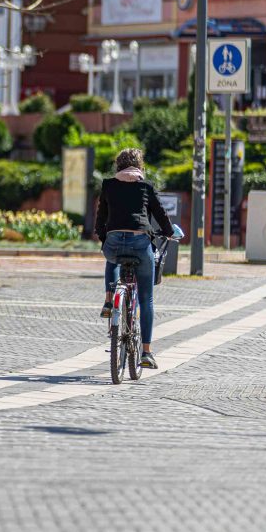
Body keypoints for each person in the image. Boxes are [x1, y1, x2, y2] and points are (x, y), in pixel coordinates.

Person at [94, 148, 173, 370]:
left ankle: (109, 300)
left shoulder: (108, 185)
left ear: (118, 165)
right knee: (146, 299)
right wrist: (169, 232)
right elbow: (161, 215)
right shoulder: (146, 187)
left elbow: (100, 219)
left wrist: (104, 238)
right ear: (140, 166)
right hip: (140, 243)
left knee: (111, 255)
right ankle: (146, 353)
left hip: (114, 242)